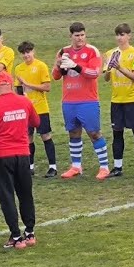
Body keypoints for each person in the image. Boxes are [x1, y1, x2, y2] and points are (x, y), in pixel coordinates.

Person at [0, 72, 42, 249]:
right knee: (25, 194)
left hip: (1, 156)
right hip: (23, 154)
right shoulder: (24, 101)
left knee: (6, 196)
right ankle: (30, 233)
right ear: (12, 85)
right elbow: (36, 122)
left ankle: (16, 236)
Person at [54, 23, 110, 180]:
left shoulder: (92, 51)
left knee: (94, 133)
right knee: (73, 132)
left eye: (82, 35)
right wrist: (58, 66)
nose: (80, 38)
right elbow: (56, 76)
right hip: (69, 101)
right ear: (70, 36)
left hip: (88, 100)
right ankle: (76, 166)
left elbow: (94, 73)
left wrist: (75, 66)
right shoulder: (63, 51)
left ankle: (104, 167)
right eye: (77, 35)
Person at [103, 24, 134, 178]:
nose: (120, 38)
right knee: (117, 133)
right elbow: (106, 78)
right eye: (118, 35)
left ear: (129, 36)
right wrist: (108, 68)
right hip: (116, 100)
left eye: (122, 35)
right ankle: (117, 167)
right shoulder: (110, 53)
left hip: (132, 99)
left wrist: (119, 67)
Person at [14, 41, 57, 178]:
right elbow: (18, 89)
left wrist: (28, 84)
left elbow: (47, 87)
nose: (26, 55)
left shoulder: (41, 66)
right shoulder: (18, 69)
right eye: (23, 53)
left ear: (33, 52)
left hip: (40, 108)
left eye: (28, 52)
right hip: (26, 110)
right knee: (28, 137)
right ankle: (30, 166)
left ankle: (53, 167)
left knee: (45, 136)